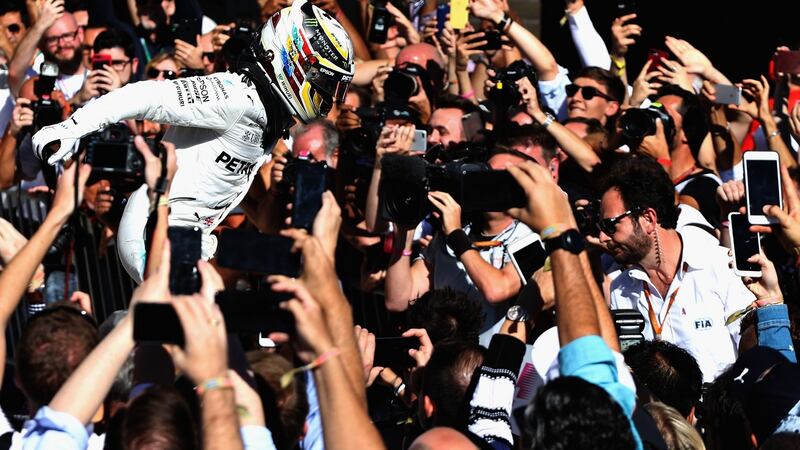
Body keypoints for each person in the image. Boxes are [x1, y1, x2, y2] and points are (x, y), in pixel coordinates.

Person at [31, 0, 355, 282]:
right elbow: (146, 94)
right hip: (156, 230)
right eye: (324, 82)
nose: (327, 98)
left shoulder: (269, 116)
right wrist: (70, 128)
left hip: (198, 237)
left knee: (296, 261)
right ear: (293, 60)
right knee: (194, 332)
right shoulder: (235, 96)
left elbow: (257, 213)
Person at [600, 155, 755, 381]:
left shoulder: (720, 265)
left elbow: (751, 354)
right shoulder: (621, 289)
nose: (602, 237)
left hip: (722, 410)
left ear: (648, 218)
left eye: (610, 225)